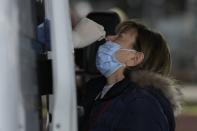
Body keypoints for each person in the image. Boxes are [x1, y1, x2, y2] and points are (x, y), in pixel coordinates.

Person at [81, 20, 182, 131]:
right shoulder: (97, 90)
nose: (109, 37)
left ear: (134, 58)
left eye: (119, 37)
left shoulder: (142, 105)